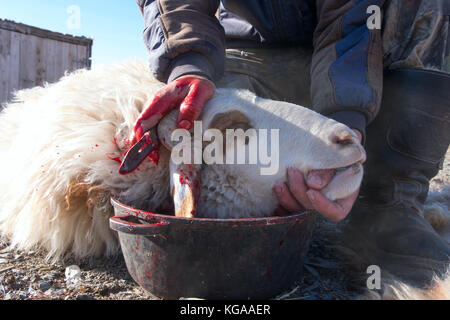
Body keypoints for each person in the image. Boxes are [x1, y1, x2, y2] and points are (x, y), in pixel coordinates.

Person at [135, 0, 450, 288]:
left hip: (357, 71)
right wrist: (188, 64)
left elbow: (351, 19)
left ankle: (391, 202)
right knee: (211, 136)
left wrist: (347, 123)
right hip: (250, 61)